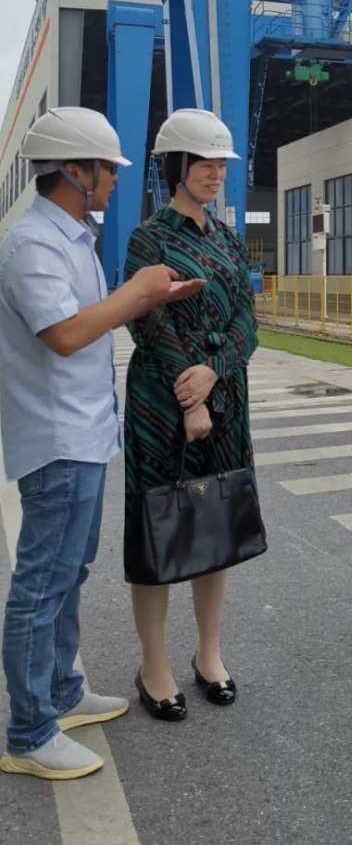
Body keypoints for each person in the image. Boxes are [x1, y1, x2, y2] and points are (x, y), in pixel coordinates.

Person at [0, 108, 203, 780]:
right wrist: (138, 291)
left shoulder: (72, 238)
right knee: (42, 584)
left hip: (83, 433)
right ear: (74, 170)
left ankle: (62, 692)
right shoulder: (33, 244)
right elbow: (63, 334)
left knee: (69, 572)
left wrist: (146, 298)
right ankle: (29, 732)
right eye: (107, 170)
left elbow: (87, 320)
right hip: (57, 437)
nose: (115, 181)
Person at [123, 109, 258, 722]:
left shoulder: (227, 237)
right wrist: (192, 396)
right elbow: (148, 323)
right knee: (158, 526)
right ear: (175, 166)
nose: (215, 173)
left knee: (216, 523)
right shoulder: (147, 239)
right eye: (204, 162)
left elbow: (247, 318)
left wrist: (217, 371)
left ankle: (209, 653)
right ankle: (154, 666)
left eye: (221, 164)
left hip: (225, 395)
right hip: (162, 400)